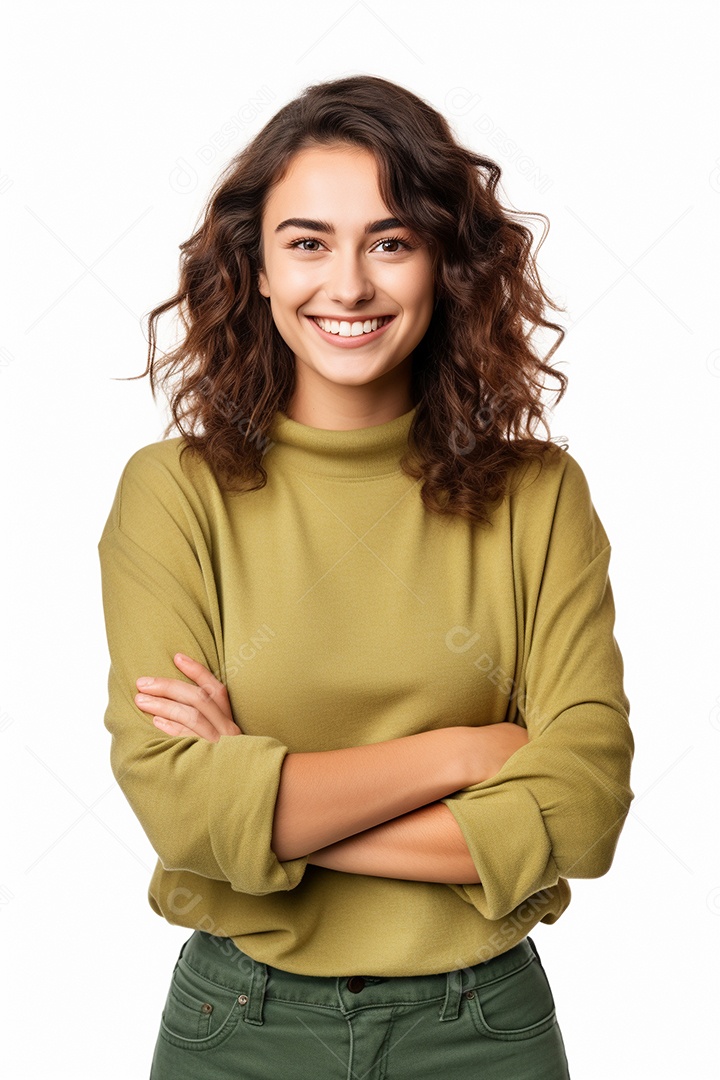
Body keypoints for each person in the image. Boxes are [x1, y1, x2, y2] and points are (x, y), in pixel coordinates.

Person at [98, 74, 634, 1079]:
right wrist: (468, 752)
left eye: (390, 242)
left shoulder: (539, 496)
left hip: (482, 1025)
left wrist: (259, 807)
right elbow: (178, 807)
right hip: (238, 1024)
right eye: (307, 242)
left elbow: (585, 806)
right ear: (255, 268)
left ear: (444, 265)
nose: (348, 285)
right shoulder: (173, 494)